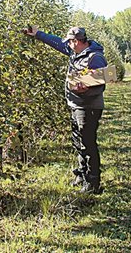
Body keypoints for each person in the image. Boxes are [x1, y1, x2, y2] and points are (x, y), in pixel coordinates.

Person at [23, 25, 107, 194]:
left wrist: (86, 89)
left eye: (69, 41)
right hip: (76, 105)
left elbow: (101, 84)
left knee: (87, 144)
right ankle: (82, 174)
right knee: (79, 143)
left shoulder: (95, 57)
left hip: (88, 107)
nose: (67, 44)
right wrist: (38, 34)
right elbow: (57, 43)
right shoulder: (75, 52)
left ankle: (92, 183)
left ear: (76, 41)